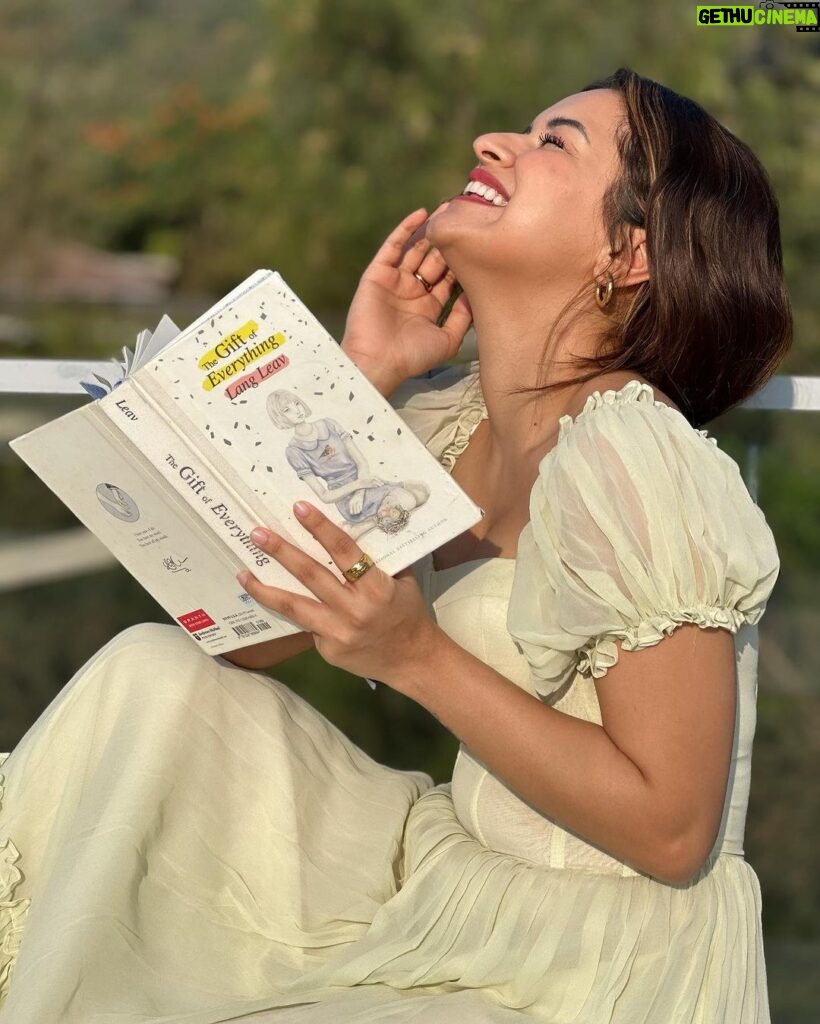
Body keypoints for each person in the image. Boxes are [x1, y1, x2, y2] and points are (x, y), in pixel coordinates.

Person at [0, 67, 791, 1023]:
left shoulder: (636, 455)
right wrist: (363, 379)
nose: (495, 144)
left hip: (607, 961)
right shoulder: (447, 420)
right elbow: (247, 641)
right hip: (460, 890)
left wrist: (415, 657)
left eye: (555, 144)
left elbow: (673, 831)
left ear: (628, 255)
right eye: (525, 126)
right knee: (153, 674)